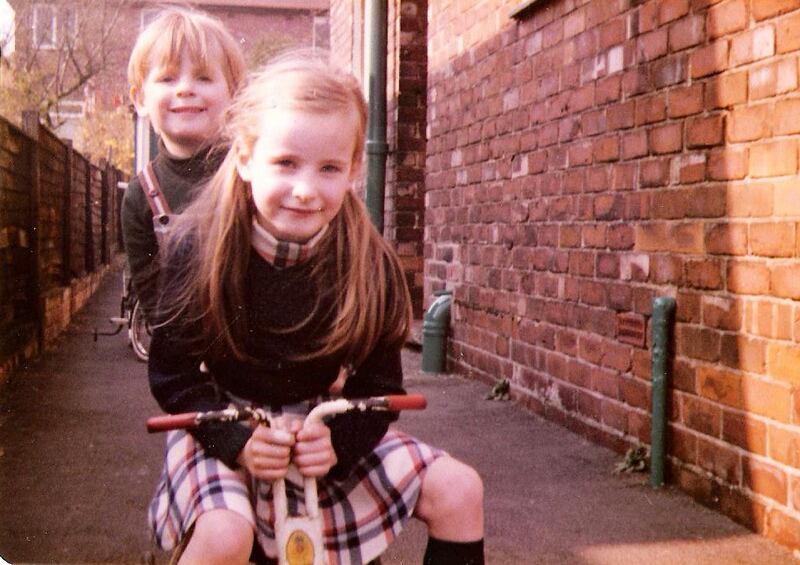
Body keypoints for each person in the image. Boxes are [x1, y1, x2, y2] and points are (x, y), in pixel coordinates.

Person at [147, 52, 485, 565]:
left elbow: (380, 392)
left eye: (329, 168)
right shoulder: (200, 248)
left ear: (353, 168)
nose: (305, 190)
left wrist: (338, 443)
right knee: (223, 536)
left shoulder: (369, 261)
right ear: (244, 157)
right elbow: (172, 376)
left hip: (319, 430)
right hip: (228, 425)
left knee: (461, 490)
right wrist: (233, 437)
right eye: (285, 163)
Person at [122, 6, 246, 320]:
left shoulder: (253, 173)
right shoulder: (141, 196)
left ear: (233, 94)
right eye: (167, 78)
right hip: (183, 353)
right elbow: (154, 304)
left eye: (204, 77)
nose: (185, 88)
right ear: (140, 99)